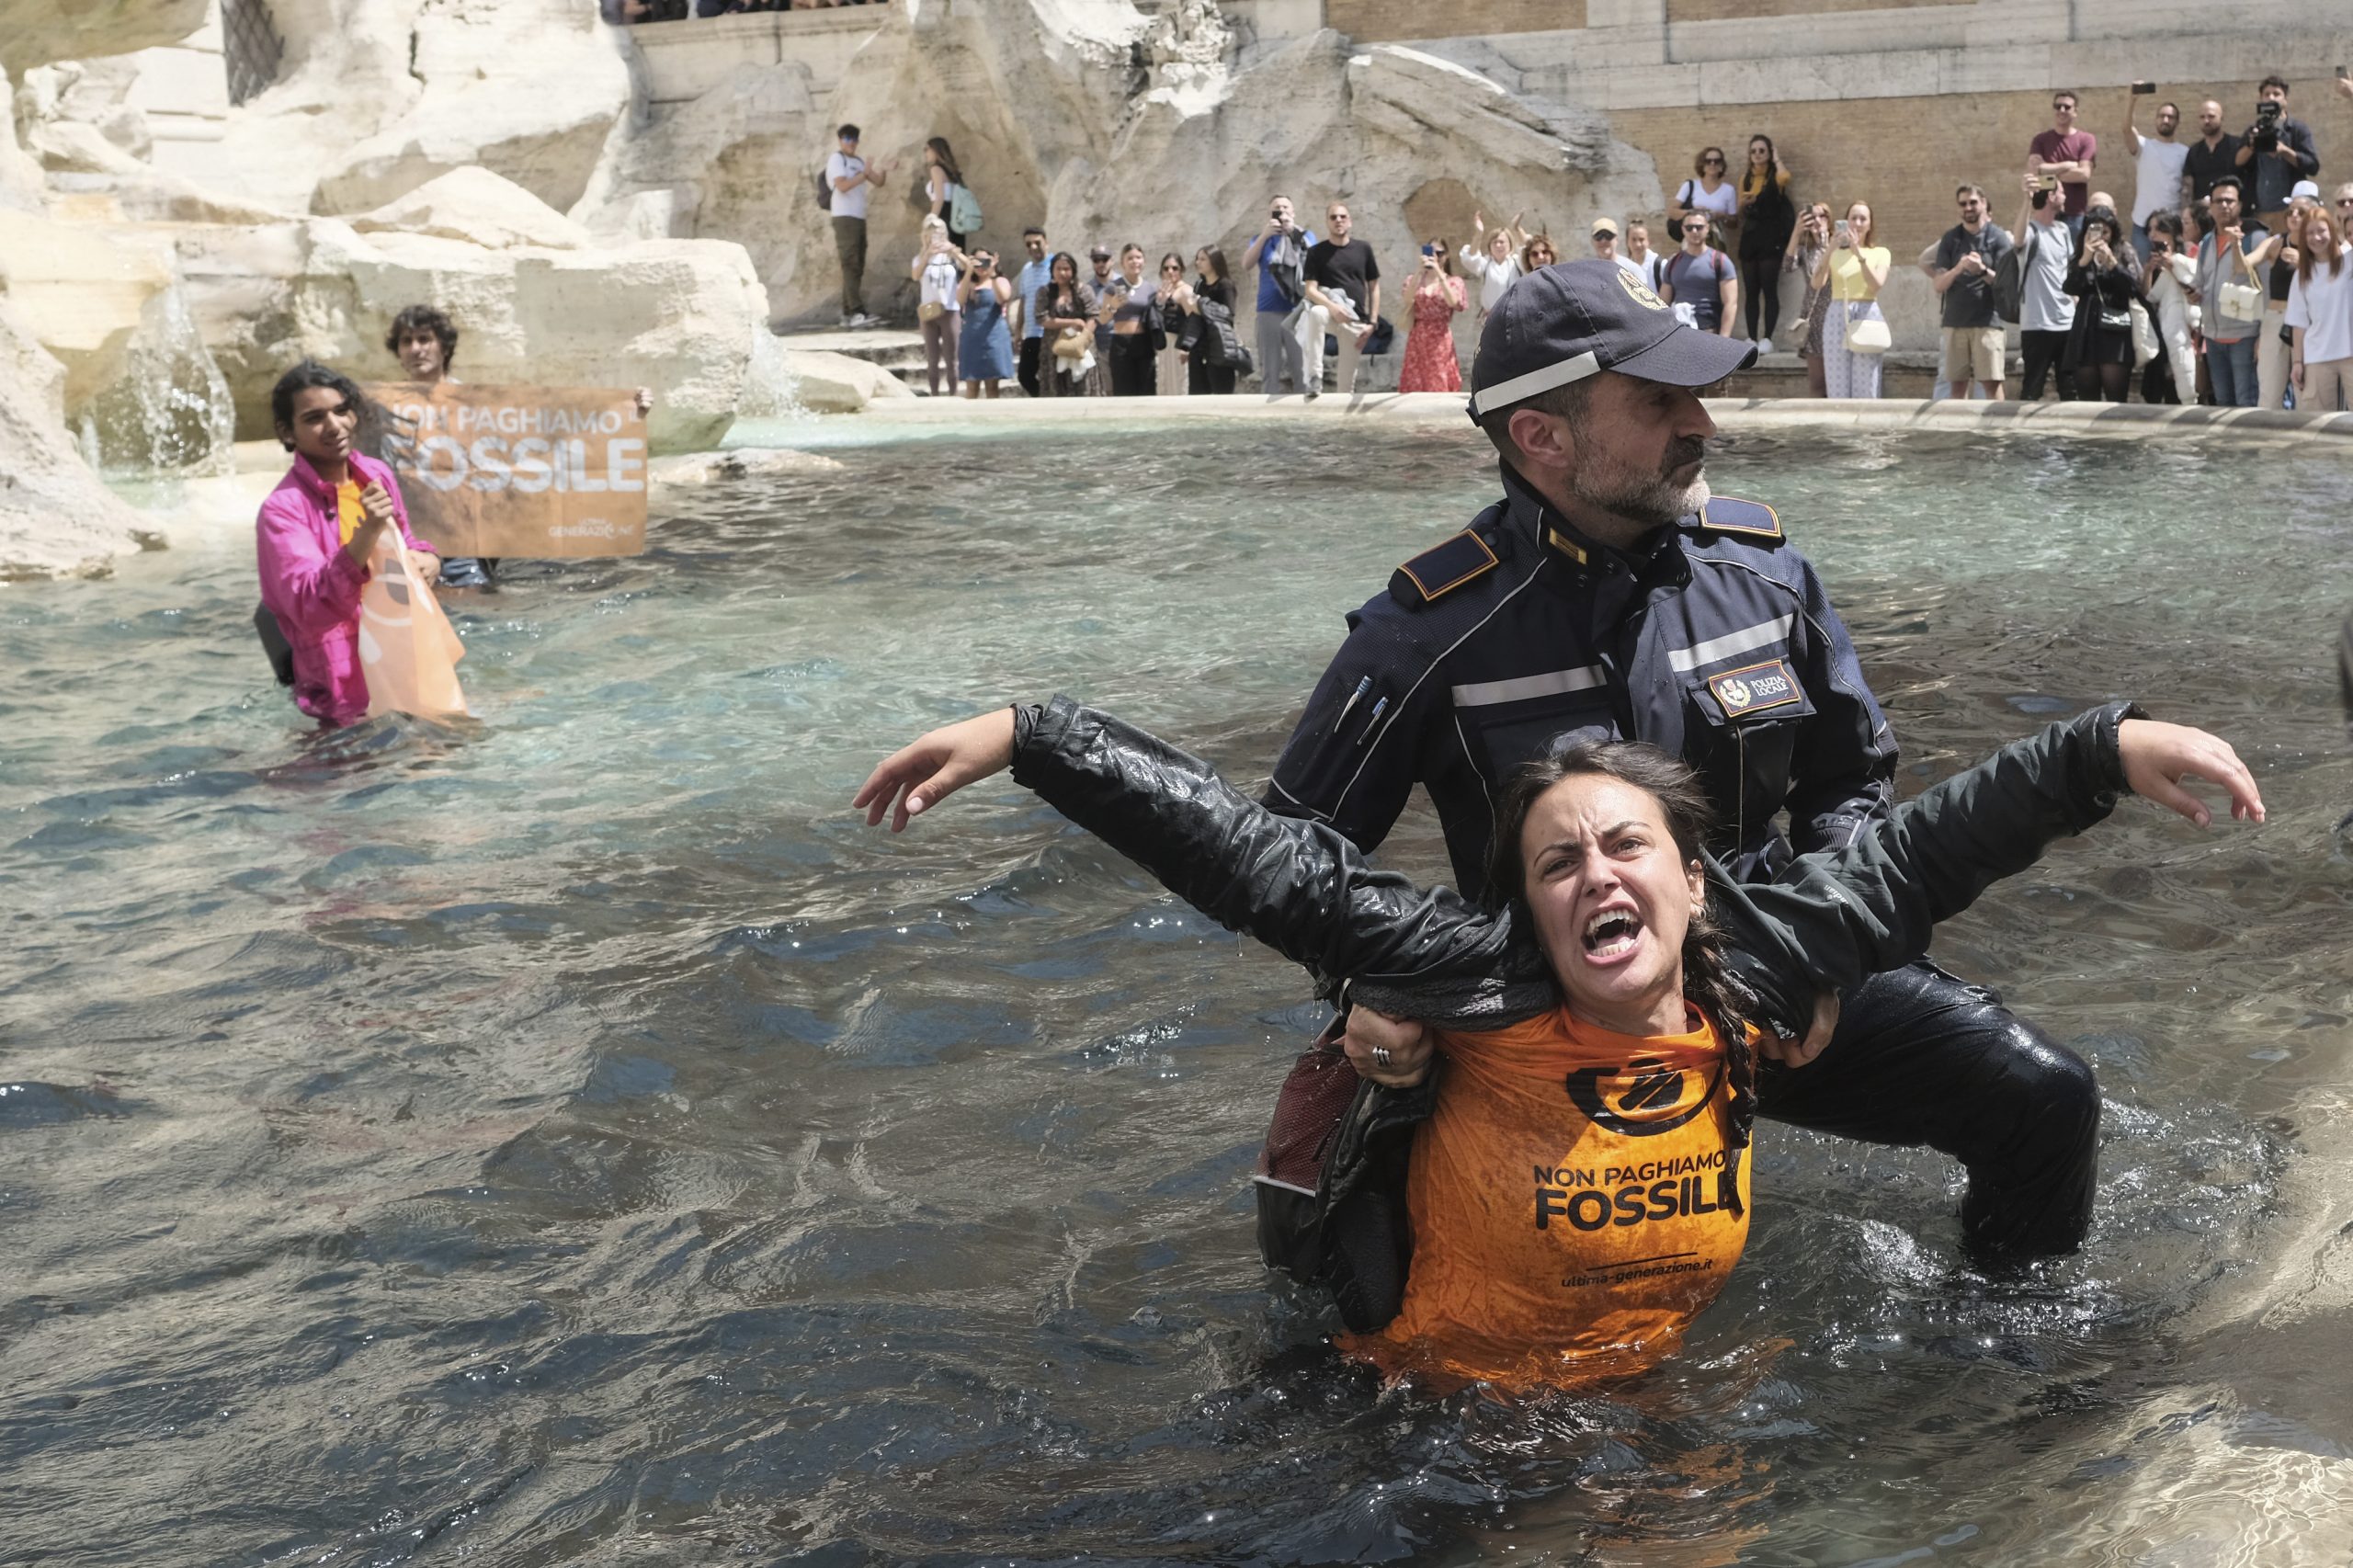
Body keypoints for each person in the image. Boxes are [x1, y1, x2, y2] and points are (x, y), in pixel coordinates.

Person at [856, 676, 2262, 1388]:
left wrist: (2102, 748)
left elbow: (1924, 849)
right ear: (1527, 908)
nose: (1596, 875)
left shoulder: (1761, 962)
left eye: (1625, 845)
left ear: (1692, 880)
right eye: (1556, 860)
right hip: (1419, 1420)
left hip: (1650, 1402)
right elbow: (1263, 862)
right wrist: (1037, 736)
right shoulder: (1479, 976)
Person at [1256, 259, 2120, 1276]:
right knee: (1357, 1260)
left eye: (1696, 393)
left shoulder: (1763, 575)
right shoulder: (1428, 632)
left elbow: (1850, 778)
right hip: (1539, 1010)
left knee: (2045, 1098)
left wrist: (1826, 950)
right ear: (1540, 436)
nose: (1702, 421)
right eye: (1659, 400)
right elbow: (1289, 858)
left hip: (1771, 972)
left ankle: (1996, 1350)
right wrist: (1372, 991)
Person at [256, 360, 441, 727]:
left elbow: (404, 541)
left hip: (405, 666)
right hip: (341, 694)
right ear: (287, 431)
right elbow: (311, 607)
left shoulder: (374, 474)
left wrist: (428, 557)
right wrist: (367, 532)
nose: (335, 426)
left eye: (341, 411)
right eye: (314, 418)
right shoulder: (282, 510)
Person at [2189, 176, 2270, 407]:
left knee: (2247, 403)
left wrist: (2263, 336)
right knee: (2223, 402)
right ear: (2210, 207)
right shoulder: (2206, 242)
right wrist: (2194, 293)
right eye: (2218, 201)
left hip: (2245, 337)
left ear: (2240, 205)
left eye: (2229, 201)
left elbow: (2267, 289)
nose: (2224, 205)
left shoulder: (2255, 238)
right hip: (2213, 338)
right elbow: (2200, 283)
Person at [1929, 183, 2015, 400]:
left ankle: (1996, 422)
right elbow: (1939, 284)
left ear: (1983, 204)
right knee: (1957, 387)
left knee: (1992, 385)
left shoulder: (1998, 237)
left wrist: (1981, 270)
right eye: (1963, 204)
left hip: (1988, 322)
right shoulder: (1950, 238)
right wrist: (1958, 268)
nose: (1968, 208)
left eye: (1973, 202)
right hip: (1954, 322)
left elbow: (2006, 283)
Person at [2061, 205, 2144, 403]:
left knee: (2116, 398)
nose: (2101, 237)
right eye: (2094, 231)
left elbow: (2134, 288)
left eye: (2105, 232)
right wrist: (2084, 260)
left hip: (2115, 330)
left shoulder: (2123, 251)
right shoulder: (2082, 254)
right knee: (2087, 400)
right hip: (2086, 331)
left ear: (2113, 232)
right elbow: (2070, 288)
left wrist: (2112, 264)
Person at [1300, 203, 1381, 402]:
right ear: (1327, 222)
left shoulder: (1363, 249)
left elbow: (1374, 287)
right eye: (1333, 217)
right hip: (1330, 314)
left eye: (1343, 216)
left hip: (1355, 321)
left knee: (1345, 388)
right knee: (1316, 313)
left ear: (1349, 221)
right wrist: (1333, 308)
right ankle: (1314, 377)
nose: (1338, 220)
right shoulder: (1316, 252)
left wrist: (1372, 323)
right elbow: (1310, 290)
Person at [1812, 200, 1890, 398]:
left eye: (1863, 219)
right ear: (1846, 222)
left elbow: (1876, 284)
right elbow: (1817, 283)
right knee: (1837, 382)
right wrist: (1830, 249)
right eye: (1853, 218)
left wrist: (1858, 253)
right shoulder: (1836, 254)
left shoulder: (1880, 253)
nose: (1858, 223)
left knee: (1867, 383)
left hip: (1867, 313)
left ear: (1870, 225)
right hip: (1838, 313)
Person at [2014, 174, 2081, 401]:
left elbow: (2067, 268)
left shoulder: (2063, 230)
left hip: (2066, 322)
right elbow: (2018, 240)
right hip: (2037, 324)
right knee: (2032, 389)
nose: (2065, 196)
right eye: (2061, 191)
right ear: (2051, 196)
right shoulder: (2031, 230)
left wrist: (2074, 300)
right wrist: (2027, 199)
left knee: (2071, 390)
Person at [1243, 196, 1315, 395]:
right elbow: (1246, 264)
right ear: (1270, 214)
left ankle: (1304, 411)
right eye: (1277, 208)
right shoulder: (1261, 238)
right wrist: (1264, 236)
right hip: (1268, 310)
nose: (1282, 211)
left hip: (1298, 310)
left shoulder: (1305, 235)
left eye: (1285, 207)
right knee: (1269, 370)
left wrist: (1293, 233)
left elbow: (1315, 259)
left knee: (1302, 370)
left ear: (1293, 212)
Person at [2254, 185, 2318, 410]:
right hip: (2276, 316)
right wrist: (2235, 244)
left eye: (2301, 211)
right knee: (2269, 392)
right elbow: (2245, 264)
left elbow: (2332, 278)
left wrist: (2303, 262)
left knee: (2306, 392)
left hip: (2309, 321)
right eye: (2290, 211)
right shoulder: (2276, 242)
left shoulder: (2324, 245)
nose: (2294, 216)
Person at [824, 123, 892, 328]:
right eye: (847, 139)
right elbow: (842, 186)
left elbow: (878, 181)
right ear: (840, 140)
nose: (851, 143)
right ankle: (856, 311)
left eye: (854, 139)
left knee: (857, 264)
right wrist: (864, 174)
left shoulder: (859, 161)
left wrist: (884, 169)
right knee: (850, 263)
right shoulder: (837, 159)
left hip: (858, 217)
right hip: (844, 217)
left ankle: (848, 313)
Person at [2234, 75, 2322, 230]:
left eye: (2276, 94)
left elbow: (2312, 166)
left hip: (2288, 211)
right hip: (2259, 211)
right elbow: (2237, 163)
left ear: (2285, 99)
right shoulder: (2254, 130)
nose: (2271, 98)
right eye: (2266, 94)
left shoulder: (2297, 129)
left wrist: (2284, 151)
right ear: (2261, 99)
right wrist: (2252, 146)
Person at [2289, 201, 2353, 412]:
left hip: (2350, 351)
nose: (2316, 238)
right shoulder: (2302, 274)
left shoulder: (2349, 261)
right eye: (2310, 233)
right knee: (2317, 421)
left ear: (2332, 231)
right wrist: (2297, 362)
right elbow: (2299, 322)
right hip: (2317, 355)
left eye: (2321, 231)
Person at [1735, 134, 1798, 350]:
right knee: (1751, 290)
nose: (1757, 155)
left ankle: (1767, 338)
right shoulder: (1745, 178)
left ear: (1769, 153)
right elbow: (1739, 211)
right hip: (1750, 237)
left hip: (1771, 237)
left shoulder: (1774, 175)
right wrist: (1745, 203)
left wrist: (1777, 158)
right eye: (1753, 151)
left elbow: (1785, 178)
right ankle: (1751, 337)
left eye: (1762, 150)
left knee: (1769, 289)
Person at [2123, 91, 2192, 261]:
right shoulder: (2144, 146)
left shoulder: (2185, 152)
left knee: (2171, 271)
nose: (2165, 120)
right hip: (2143, 225)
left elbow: (2187, 189)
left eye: (2170, 117)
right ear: (2156, 119)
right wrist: (2132, 100)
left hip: (2172, 226)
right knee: (2142, 271)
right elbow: (2126, 129)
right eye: (2162, 116)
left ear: (2177, 122)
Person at [2141, 211, 2199, 404]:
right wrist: (2149, 270)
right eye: (2150, 229)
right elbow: (2148, 297)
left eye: (2158, 229)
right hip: (2160, 328)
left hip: (2187, 329)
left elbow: (2193, 289)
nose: (2153, 234)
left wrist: (2172, 265)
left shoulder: (2189, 254)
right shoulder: (2153, 260)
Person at [1398, 238, 1469, 393]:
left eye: (1440, 253)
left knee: (1439, 378)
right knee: (1415, 380)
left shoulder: (1454, 281)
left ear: (1446, 256)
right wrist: (1419, 271)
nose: (1435, 256)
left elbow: (1454, 302)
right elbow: (1407, 299)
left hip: (1440, 337)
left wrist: (1439, 273)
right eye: (1431, 252)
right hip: (1418, 336)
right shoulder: (1413, 279)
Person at [2028, 89, 2097, 237]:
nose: (2062, 110)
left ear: (2075, 111)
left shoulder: (2086, 139)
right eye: (2058, 106)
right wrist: (2068, 165)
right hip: (2045, 212)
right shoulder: (2040, 140)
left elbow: (2084, 174)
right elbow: (2034, 171)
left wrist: (2047, 172)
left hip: (2075, 214)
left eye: (2067, 107)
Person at [1659, 210, 1737, 337]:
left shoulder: (1720, 261)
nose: (1694, 231)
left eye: (1699, 227)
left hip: (1709, 332)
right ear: (1683, 230)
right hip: (1680, 333)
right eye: (1689, 228)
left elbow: (1730, 303)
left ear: (1707, 228)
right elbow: (1663, 304)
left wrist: (1724, 338)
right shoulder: (1673, 263)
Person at [1030, 252, 1097, 399]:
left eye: (1066, 269)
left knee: (1082, 390)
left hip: (1081, 348)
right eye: (1058, 269)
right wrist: (1071, 322)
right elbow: (1042, 318)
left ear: (1073, 271)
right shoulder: (1045, 292)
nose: (1062, 273)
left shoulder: (1083, 291)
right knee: (1055, 391)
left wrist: (1081, 341)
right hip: (1054, 349)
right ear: (1052, 271)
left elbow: (1093, 316)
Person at [910, 216, 962, 396]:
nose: (935, 238)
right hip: (929, 311)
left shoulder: (951, 256)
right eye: (931, 234)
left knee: (951, 359)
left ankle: (953, 395)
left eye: (939, 234)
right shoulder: (919, 258)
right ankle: (935, 395)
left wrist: (952, 251)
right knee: (932, 359)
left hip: (949, 309)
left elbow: (967, 266)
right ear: (925, 236)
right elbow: (915, 276)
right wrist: (927, 254)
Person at [953, 247, 1014, 398]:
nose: (981, 266)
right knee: (971, 386)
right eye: (977, 261)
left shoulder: (1000, 280)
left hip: (994, 337)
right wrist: (968, 271)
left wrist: (992, 274)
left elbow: (1003, 298)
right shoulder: (968, 283)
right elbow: (959, 301)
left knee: (992, 386)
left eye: (984, 261)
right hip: (972, 338)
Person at [1788, 202, 1835, 396]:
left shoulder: (1839, 245)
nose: (1817, 220)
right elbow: (1787, 266)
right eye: (1812, 217)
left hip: (1836, 314)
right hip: (1814, 318)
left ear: (1829, 220)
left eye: (1822, 216)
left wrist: (1828, 245)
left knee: (1837, 377)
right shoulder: (1805, 249)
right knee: (1817, 381)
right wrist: (1796, 232)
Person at [1182, 245, 1240, 395]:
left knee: (1222, 393)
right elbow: (1194, 316)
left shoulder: (1225, 285)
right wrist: (1187, 345)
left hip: (1219, 347)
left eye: (1203, 259)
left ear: (1214, 261)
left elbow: (1228, 314)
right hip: (1199, 347)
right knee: (1197, 394)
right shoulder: (1199, 285)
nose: (1198, 263)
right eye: (1197, 259)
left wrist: (1201, 306)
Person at [1104, 244, 1157, 397]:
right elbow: (1102, 318)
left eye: (1138, 258)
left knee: (1147, 391)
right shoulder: (1113, 287)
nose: (1135, 261)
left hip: (1144, 343)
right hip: (1120, 343)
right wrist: (1113, 306)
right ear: (1123, 263)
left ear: (1144, 261)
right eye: (1130, 258)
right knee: (1123, 392)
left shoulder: (1150, 288)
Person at [1461, 210, 1529, 320]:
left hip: (1514, 318)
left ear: (1510, 244)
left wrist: (1517, 228)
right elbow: (1470, 259)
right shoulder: (1486, 263)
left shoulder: (1516, 262)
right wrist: (1479, 234)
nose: (1498, 245)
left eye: (1502, 242)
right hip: (1491, 319)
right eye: (1494, 242)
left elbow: (1528, 252)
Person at [1668, 146, 1739, 251]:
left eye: (1717, 161)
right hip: (1692, 238)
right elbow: (1671, 212)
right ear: (1702, 164)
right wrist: (1693, 212)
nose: (1712, 164)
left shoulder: (1729, 190)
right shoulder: (1690, 186)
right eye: (1708, 161)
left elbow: (1734, 223)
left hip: (1716, 241)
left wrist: (1721, 215)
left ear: (1721, 165)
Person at [1011, 227, 1052, 397]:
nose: (1033, 247)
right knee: (1025, 376)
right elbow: (1024, 301)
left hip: (1050, 332)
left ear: (1046, 243)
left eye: (1037, 242)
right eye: (1029, 244)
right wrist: (1018, 331)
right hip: (1031, 334)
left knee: (1051, 376)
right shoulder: (1027, 269)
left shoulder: (1055, 266)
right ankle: (1043, 400)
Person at [922, 136, 972, 247]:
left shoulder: (936, 169)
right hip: (956, 216)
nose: (925, 153)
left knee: (941, 251)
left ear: (935, 150)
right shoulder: (950, 172)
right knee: (956, 250)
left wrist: (931, 220)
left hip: (944, 215)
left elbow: (939, 199)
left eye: (927, 149)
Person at [1152, 252, 1189, 396]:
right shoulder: (1162, 291)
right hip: (1164, 345)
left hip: (1178, 344)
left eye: (1175, 268)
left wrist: (1186, 347)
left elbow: (1192, 320)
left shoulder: (1185, 291)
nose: (1170, 271)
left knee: (1178, 385)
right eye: (1166, 268)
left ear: (1181, 270)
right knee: (1164, 385)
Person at [1590, 217, 1643, 283]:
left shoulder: (1632, 270)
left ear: (1617, 239)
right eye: (1598, 236)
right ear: (1592, 241)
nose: (1603, 241)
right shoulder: (1587, 271)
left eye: (1608, 236)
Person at [1626, 221, 1669, 293]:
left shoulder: (1660, 265)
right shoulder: (1625, 267)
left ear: (1648, 241)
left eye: (1641, 239)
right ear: (1627, 241)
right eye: (1633, 240)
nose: (1638, 244)